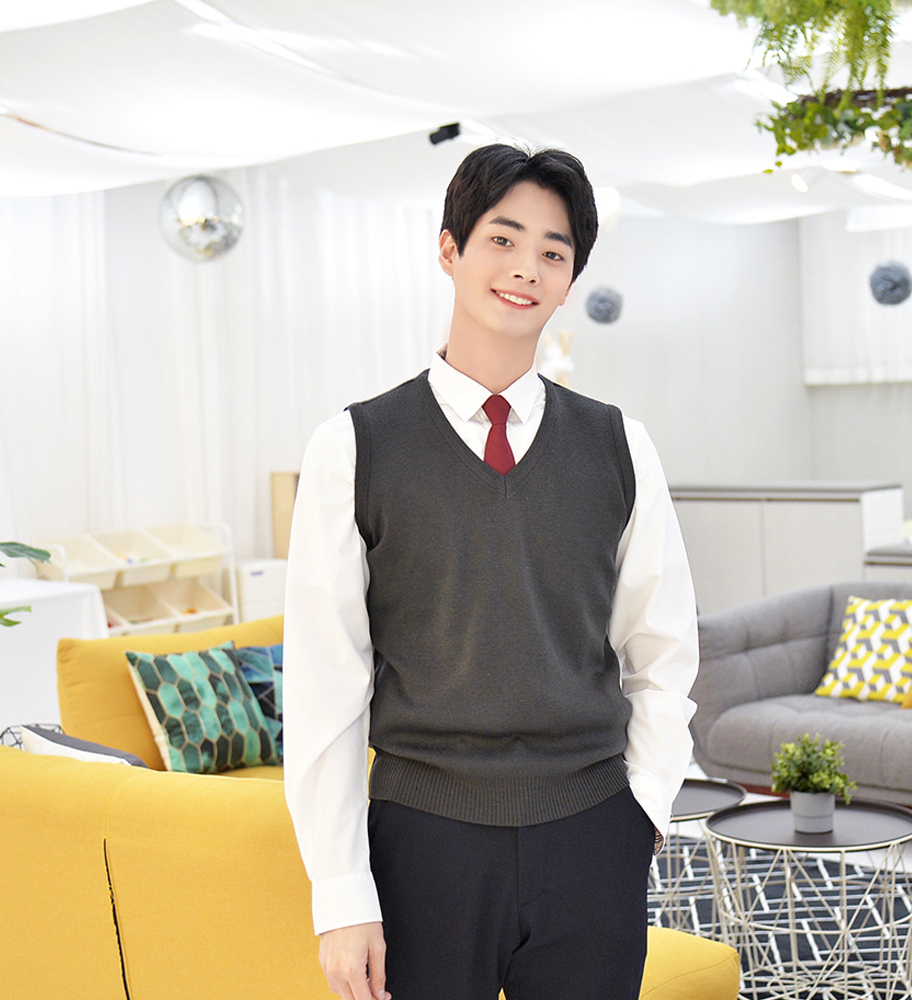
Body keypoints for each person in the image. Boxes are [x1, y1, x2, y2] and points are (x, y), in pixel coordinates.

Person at [283, 143, 698, 1000]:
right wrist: (341, 892)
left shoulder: (620, 444)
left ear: (570, 278)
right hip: (422, 844)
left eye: (553, 252)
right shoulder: (353, 446)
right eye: (503, 240)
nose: (525, 269)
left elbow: (662, 647)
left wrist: (645, 809)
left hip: (593, 835)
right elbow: (327, 683)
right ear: (450, 250)